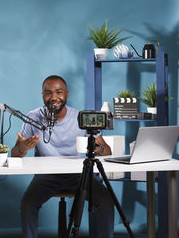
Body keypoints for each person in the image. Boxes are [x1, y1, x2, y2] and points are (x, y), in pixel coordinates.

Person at [11, 75, 114, 238]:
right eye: (48, 93)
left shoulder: (80, 117)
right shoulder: (33, 117)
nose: (53, 97)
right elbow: (15, 154)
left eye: (59, 92)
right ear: (42, 95)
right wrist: (22, 148)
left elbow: (107, 150)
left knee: (107, 201)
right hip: (45, 177)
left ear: (67, 94)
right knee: (27, 204)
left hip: (79, 177)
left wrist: (96, 147)